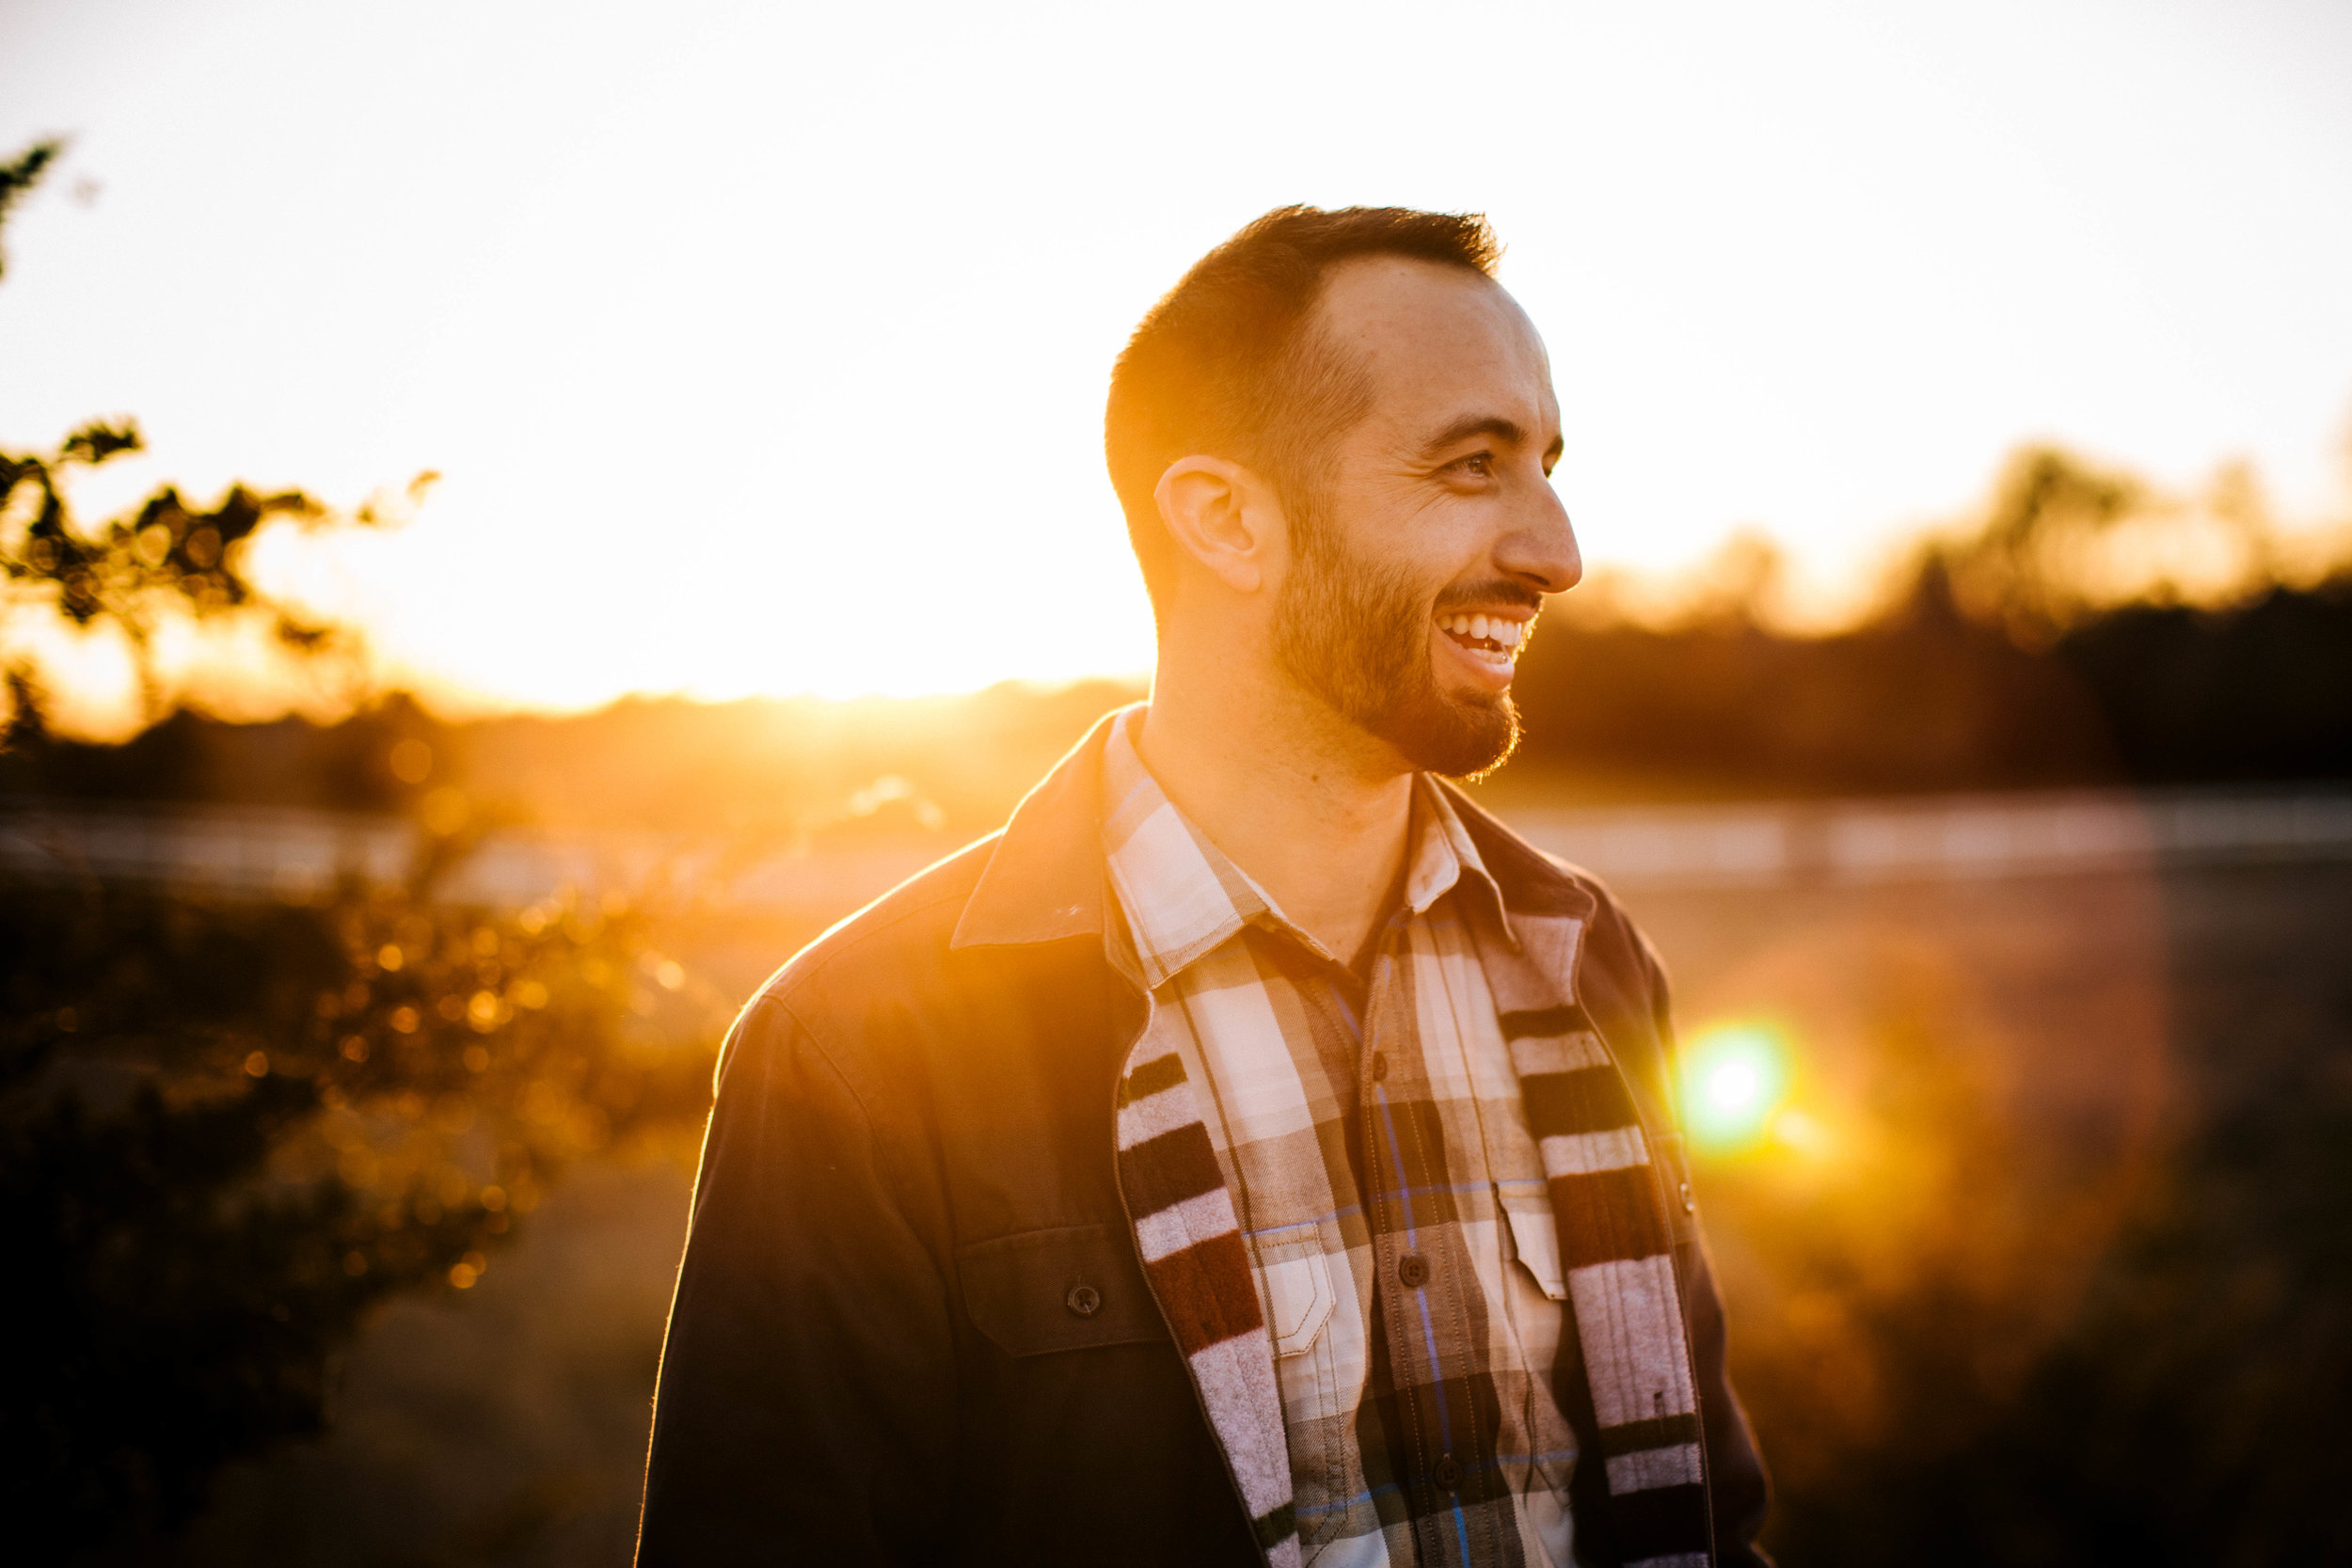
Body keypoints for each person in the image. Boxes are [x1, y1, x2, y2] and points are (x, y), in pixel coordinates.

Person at [634, 205, 1771, 1568]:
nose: (1557, 551)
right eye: (1474, 467)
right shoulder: (856, 1054)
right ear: (1227, 519)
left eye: (1547, 465)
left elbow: (1709, 1517)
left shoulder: (1587, 959)